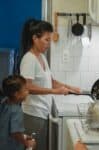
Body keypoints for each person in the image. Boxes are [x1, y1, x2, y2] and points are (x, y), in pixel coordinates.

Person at [20, 18, 81, 150]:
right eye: (46, 40)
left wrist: (70, 88)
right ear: (35, 38)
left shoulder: (41, 57)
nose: (49, 44)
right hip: (33, 115)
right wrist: (55, 92)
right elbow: (27, 87)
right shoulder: (29, 59)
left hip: (41, 113)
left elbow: (51, 81)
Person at [0, 75, 36, 150]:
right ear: (16, 94)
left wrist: (24, 136)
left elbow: (7, 126)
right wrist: (27, 143)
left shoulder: (4, 102)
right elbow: (15, 133)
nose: (28, 92)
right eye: (25, 89)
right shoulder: (16, 110)